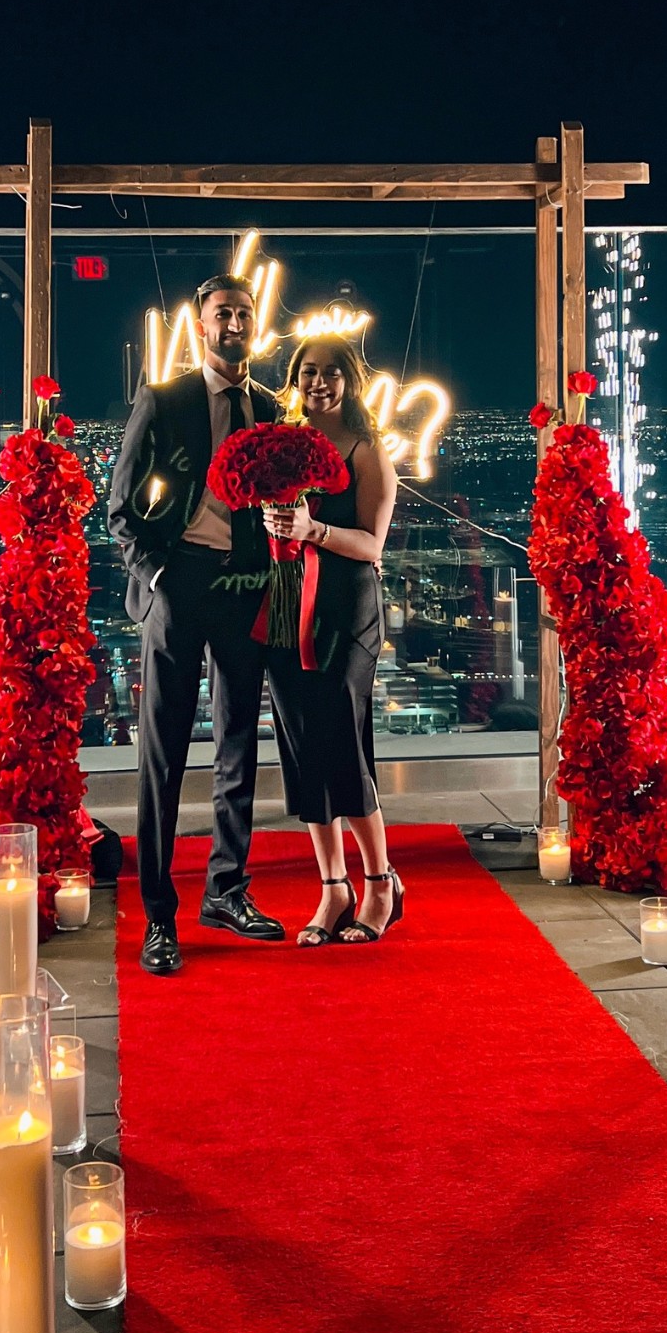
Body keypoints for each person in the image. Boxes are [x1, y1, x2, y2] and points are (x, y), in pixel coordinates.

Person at [107, 273, 285, 975]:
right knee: (164, 755)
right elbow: (119, 507)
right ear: (201, 324)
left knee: (239, 745)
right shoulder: (166, 398)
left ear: (253, 323)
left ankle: (226, 891)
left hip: (245, 591)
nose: (234, 323)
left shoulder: (271, 408)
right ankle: (159, 916)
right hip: (178, 586)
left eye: (243, 313)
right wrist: (156, 580)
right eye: (222, 314)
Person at [261, 335, 403, 946]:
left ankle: (381, 884)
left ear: (351, 378)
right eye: (307, 372)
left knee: (343, 742)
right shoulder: (285, 447)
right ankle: (332, 889)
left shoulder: (367, 451)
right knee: (301, 748)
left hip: (347, 611)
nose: (318, 382)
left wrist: (312, 527)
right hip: (287, 605)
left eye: (331, 372)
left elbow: (372, 547)